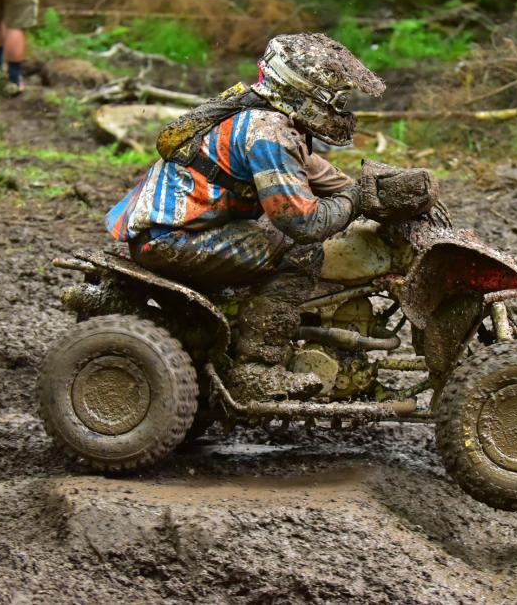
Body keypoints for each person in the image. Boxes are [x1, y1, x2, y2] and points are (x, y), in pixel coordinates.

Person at [104, 33, 428, 398]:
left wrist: (376, 191)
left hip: (175, 229)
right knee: (302, 251)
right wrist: (357, 200)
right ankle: (256, 368)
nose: (342, 107)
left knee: (281, 238)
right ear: (310, 92)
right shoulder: (268, 133)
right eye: (338, 99)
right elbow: (304, 223)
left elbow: (324, 178)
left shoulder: (263, 114)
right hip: (170, 240)